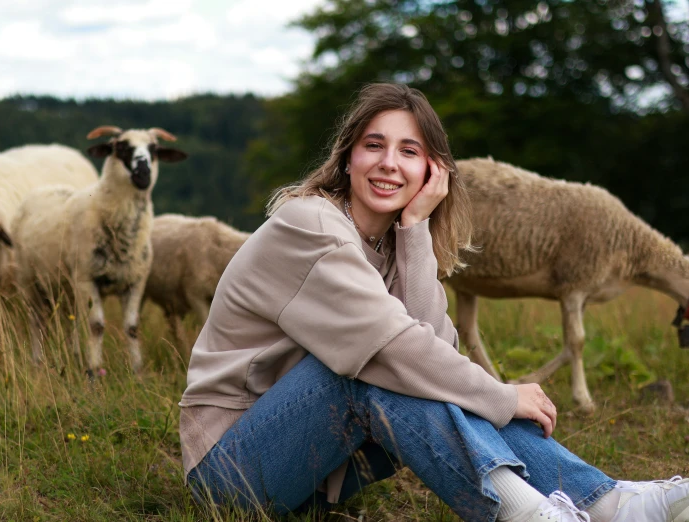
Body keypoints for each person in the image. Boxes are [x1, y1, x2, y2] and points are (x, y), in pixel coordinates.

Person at [178, 83, 689, 522]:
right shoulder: (309, 225)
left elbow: (434, 349)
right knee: (366, 368)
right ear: (347, 157)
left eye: (409, 151)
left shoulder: (391, 243)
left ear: (433, 169)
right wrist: (501, 395)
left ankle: (607, 502)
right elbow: (398, 349)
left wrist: (416, 228)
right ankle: (535, 512)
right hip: (230, 473)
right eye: (373, 145)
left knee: (416, 368)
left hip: (313, 477)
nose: (388, 163)